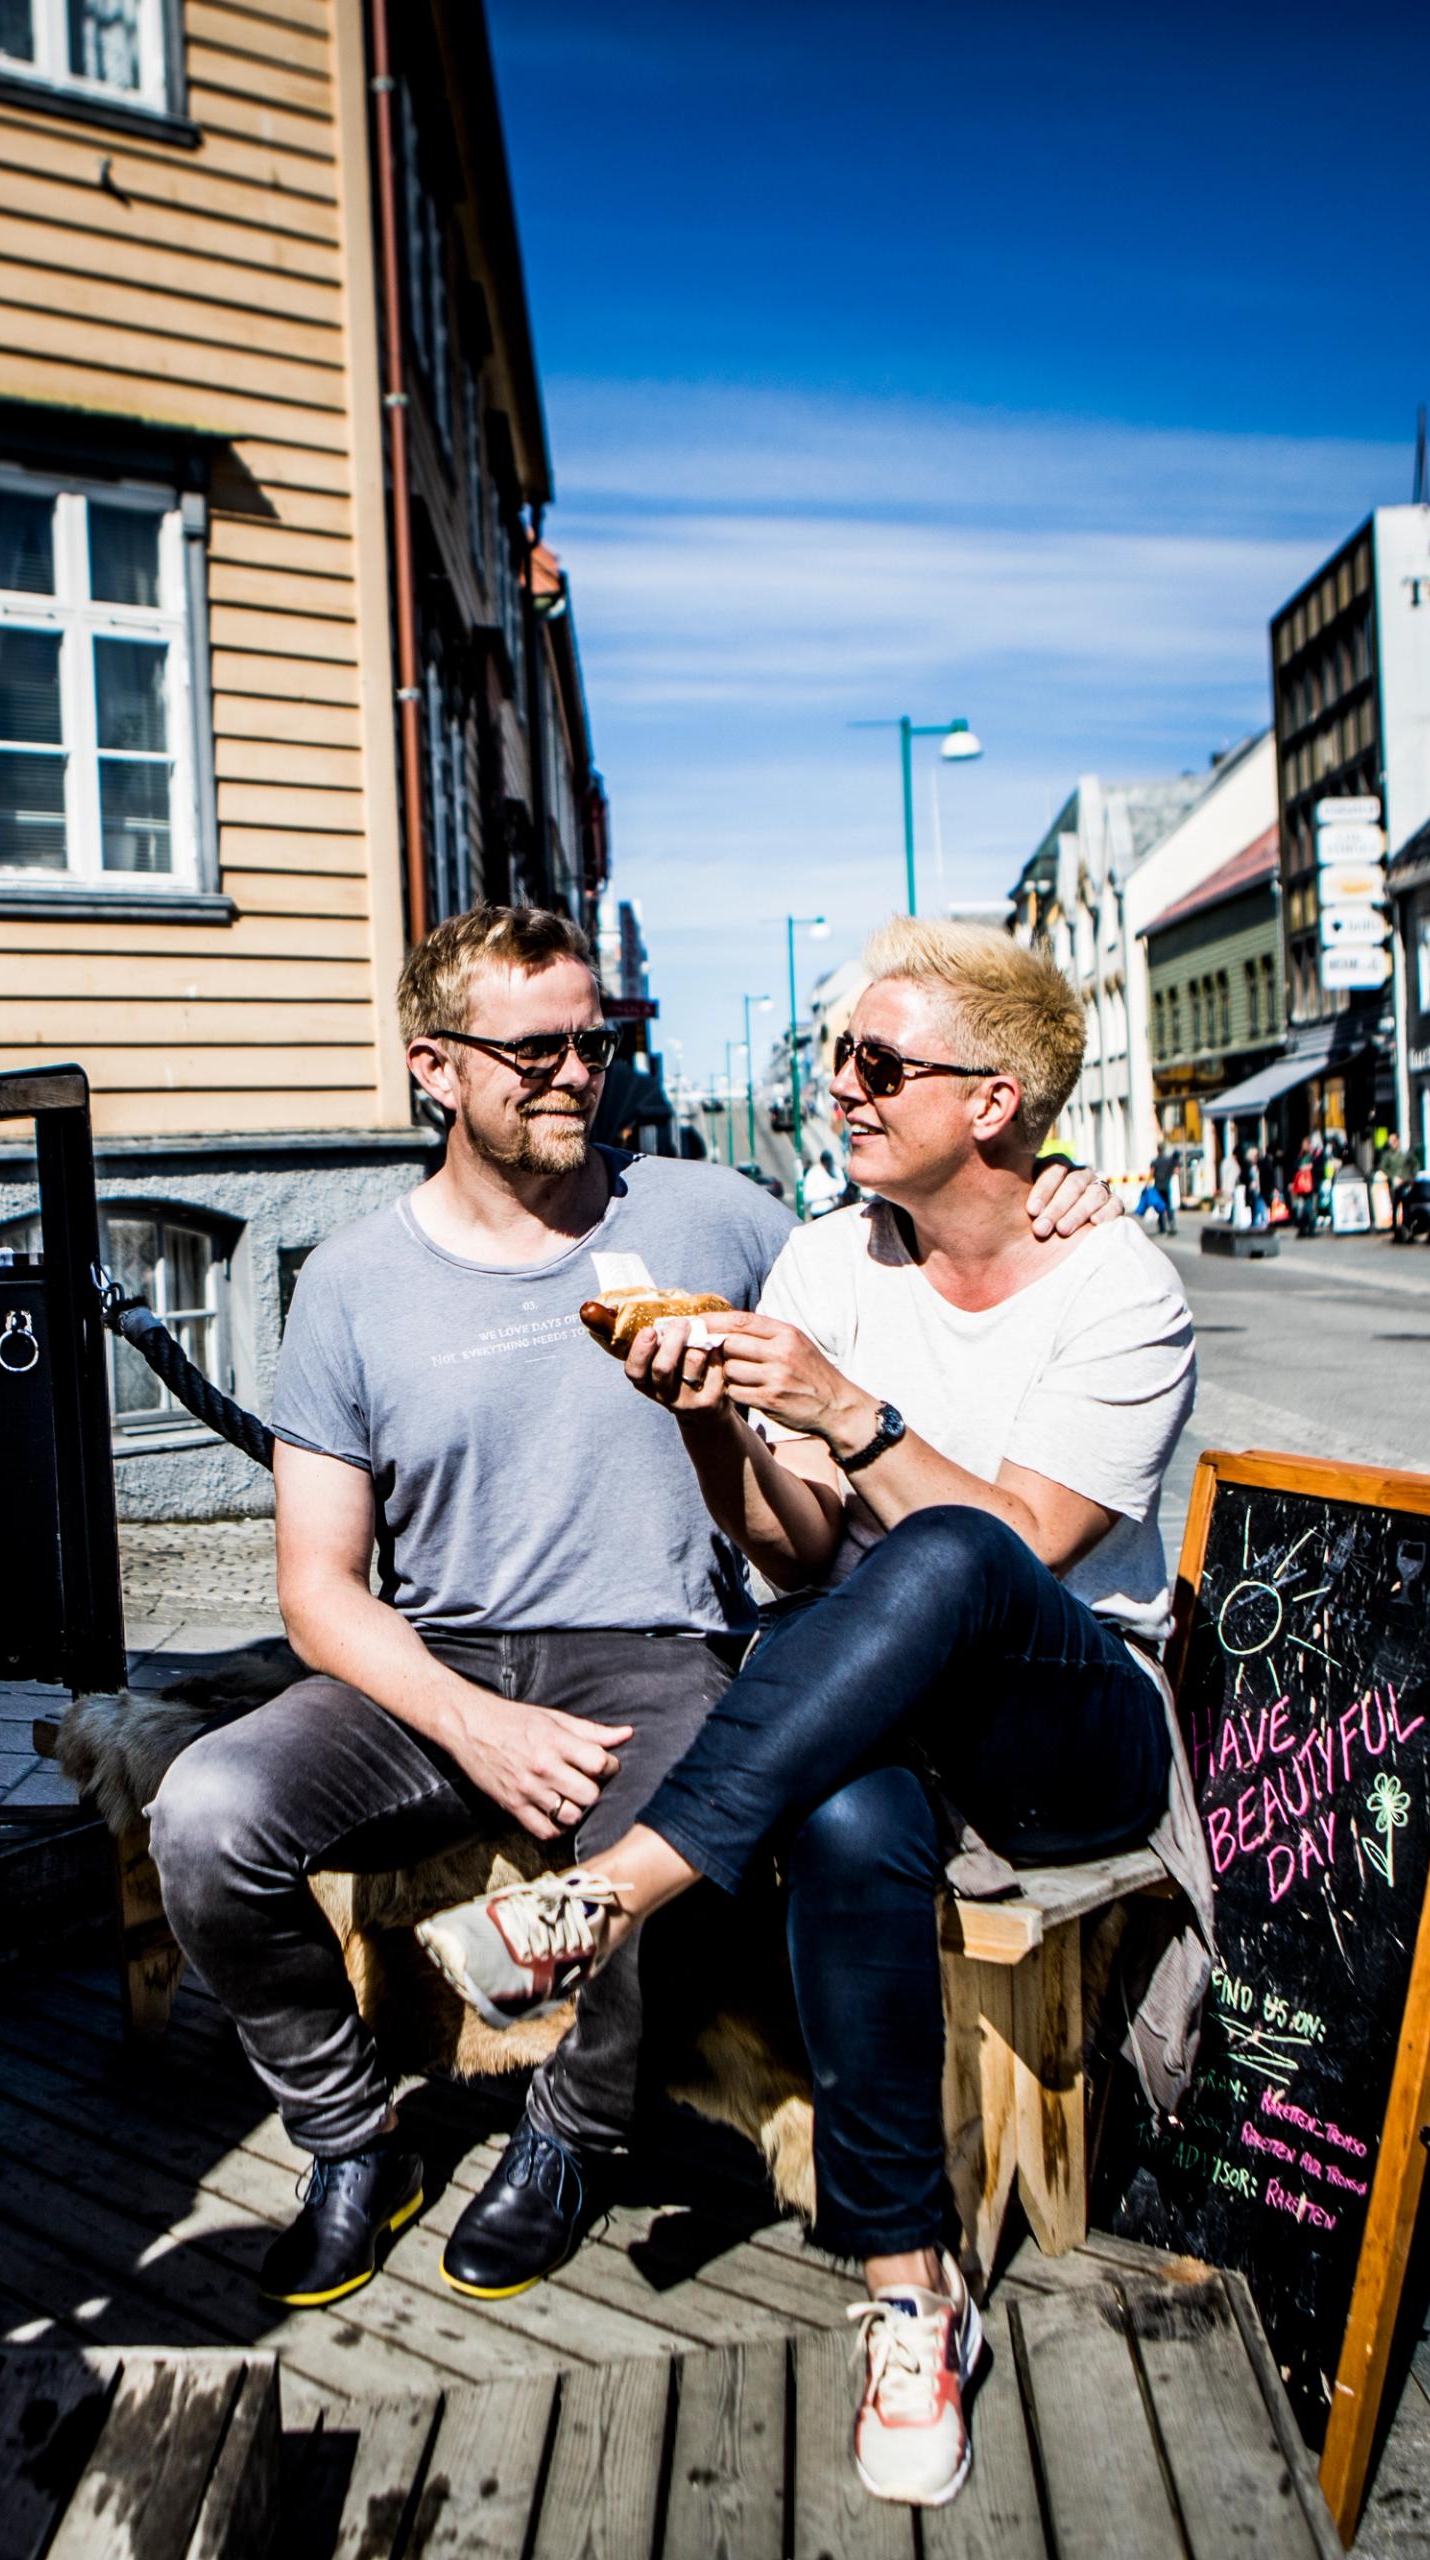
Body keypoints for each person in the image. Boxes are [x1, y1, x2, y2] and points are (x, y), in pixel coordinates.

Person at [145, 905, 1122, 2313]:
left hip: (661, 1650)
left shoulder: (712, 1214)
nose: (573, 1072)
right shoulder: (350, 1284)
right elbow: (318, 1591)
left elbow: (927, 1217)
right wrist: (472, 1725)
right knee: (204, 1815)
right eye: (531, 1048)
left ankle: (571, 2136)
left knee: (683, 1833)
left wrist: (1061, 1180)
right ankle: (351, 2141)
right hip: (436, 1666)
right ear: (433, 1066)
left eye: (593, 1041)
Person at [410, 919, 1200, 2510]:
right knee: (844, 1815)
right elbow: (803, 1553)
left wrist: (847, 1406)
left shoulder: (1119, 1282)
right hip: (880, 1714)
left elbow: (1007, 1559)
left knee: (958, 1547)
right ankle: (909, 2291)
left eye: (878, 1062)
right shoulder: (829, 1256)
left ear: (998, 1101)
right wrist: (714, 1431)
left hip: (1071, 1724)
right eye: (835, 1054)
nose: (838, 1085)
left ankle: (625, 1887)